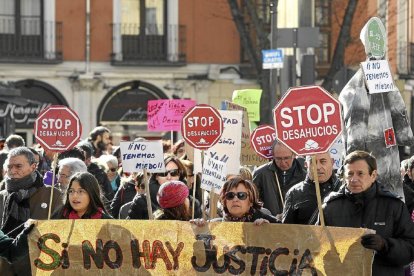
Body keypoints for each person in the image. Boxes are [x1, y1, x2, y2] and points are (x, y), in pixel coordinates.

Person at [320, 150, 414, 276]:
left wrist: (385, 245)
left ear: (373, 175)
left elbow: (410, 250)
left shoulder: (393, 206)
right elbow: (316, 247)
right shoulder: (330, 207)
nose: (354, 179)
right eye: (350, 174)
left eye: (360, 174)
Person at [0, 147, 62, 238]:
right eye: (9, 167)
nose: (13, 171)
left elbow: (60, 230)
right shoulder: (2, 196)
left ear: (33, 167)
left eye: (18, 166)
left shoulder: (53, 194)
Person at [282, 152, 340, 225]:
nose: (318, 167)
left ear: (332, 162)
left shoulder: (343, 190)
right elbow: (287, 230)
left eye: (323, 161)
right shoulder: (294, 193)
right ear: (306, 165)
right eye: (313, 162)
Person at [252, 140, 306, 217]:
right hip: (267, 224)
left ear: (294, 154)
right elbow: (253, 203)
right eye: (278, 159)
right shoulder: (261, 174)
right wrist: (268, 216)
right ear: (273, 156)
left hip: (295, 226)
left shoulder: (305, 176)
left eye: (286, 158)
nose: (283, 163)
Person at [192, 177, 277, 225]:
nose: (235, 199)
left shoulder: (270, 223)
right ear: (225, 201)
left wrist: (269, 230)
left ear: (251, 201)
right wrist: (197, 229)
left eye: (241, 195)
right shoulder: (213, 226)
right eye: (230, 196)